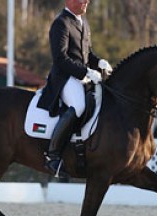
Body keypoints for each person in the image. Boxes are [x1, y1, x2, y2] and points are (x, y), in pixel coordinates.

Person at [37, 0, 112, 177]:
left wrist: (98, 62)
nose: (86, 1)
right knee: (79, 106)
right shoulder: (61, 23)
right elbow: (60, 59)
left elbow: (86, 54)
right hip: (65, 78)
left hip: (82, 76)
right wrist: (85, 71)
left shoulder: (83, 22)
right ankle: (53, 156)